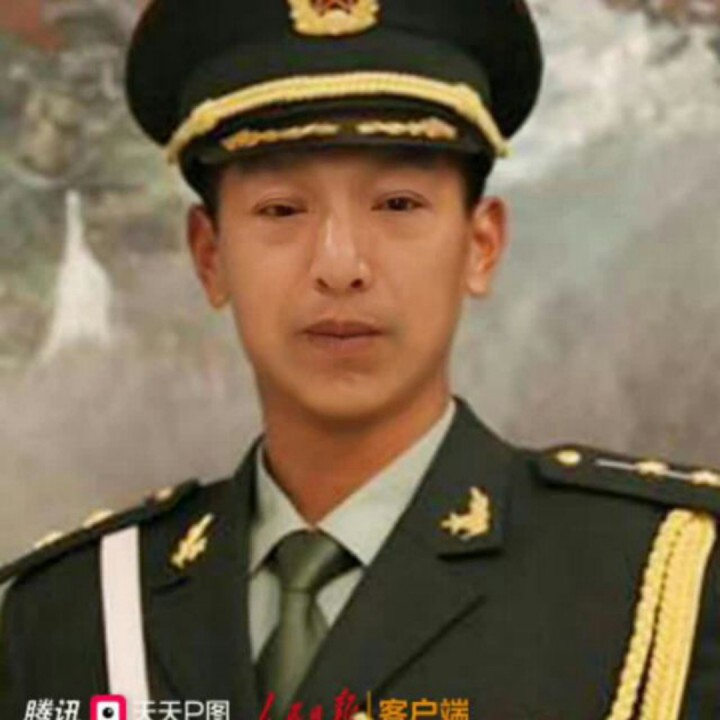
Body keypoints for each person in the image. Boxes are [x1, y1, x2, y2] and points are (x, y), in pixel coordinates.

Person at [1, 1, 719, 719]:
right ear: (210, 256)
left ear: (480, 246)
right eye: (282, 211)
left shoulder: (664, 586)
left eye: (398, 204)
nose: (340, 265)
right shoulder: (67, 618)